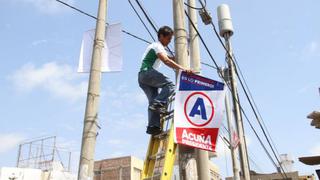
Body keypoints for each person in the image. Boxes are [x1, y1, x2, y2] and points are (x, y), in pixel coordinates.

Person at [138, 26, 193, 135]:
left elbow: (169, 59)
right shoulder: (157, 46)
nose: (169, 41)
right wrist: (183, 68)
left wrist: (181, 56)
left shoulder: (157, 47)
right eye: (168, 39)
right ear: (161, 36)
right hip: (147, 73)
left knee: (152, 102)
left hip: (142, 78)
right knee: (170, 85)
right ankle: (159, 103)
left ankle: (153, 127)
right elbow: (166, 61)